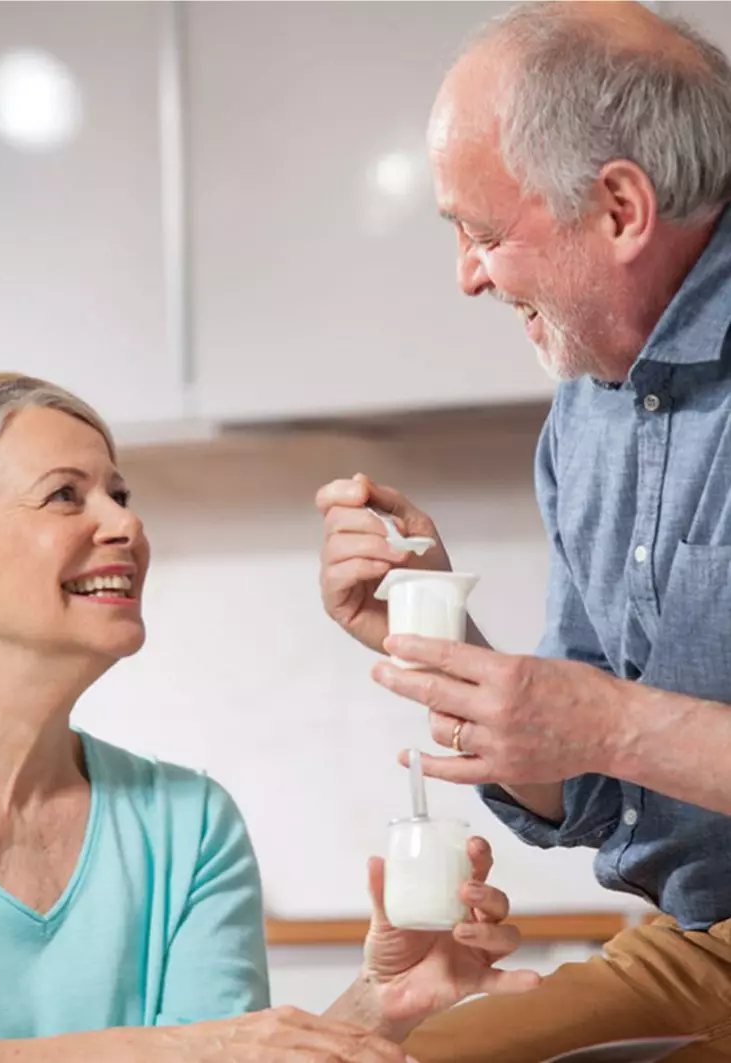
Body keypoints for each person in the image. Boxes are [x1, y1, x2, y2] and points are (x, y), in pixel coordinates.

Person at [317, 2, 731, 1060]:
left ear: (621, 208)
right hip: (705, 942)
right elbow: (594, 785)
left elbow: (611, 729)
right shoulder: (586, 418)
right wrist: (446, 648)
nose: (467, 275)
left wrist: (618, 722)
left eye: (485, 233)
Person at [0, 372, 537, 1062]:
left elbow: (221, 1056)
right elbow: (198, 1050)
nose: (126, 523)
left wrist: (378, 999)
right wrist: (174, 1048)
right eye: (66, 494)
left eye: (120, 494)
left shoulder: (187, 823)